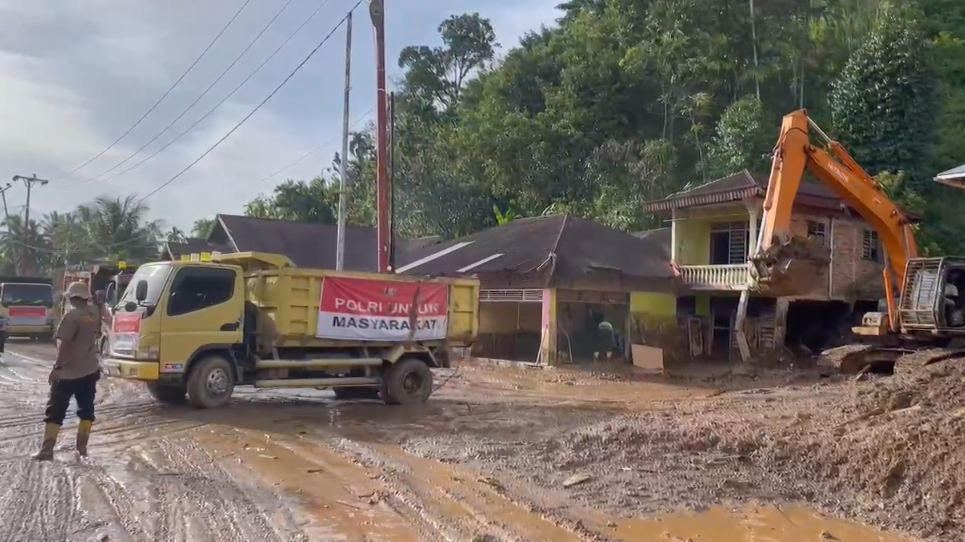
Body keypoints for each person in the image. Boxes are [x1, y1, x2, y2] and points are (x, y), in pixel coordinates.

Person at [34, 281, 101, 461]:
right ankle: (82, 449)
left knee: (55, 409)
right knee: (86, 409)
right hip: (90, 369)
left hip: (68, 373)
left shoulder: (71, 317)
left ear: (72, 298)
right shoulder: (94, 314)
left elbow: (64, 345)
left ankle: (47, 449)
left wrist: (57, 368)